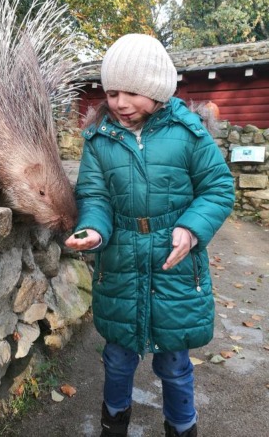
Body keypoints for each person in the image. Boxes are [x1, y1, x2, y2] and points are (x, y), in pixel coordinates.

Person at [65, 34, 235, 437]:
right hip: (121, 263)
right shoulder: (99, 141)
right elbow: (93, 195)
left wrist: (191, 229)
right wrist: (93, 229)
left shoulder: (190, 134)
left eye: (131, 92)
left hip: (175, 267)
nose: (119, 103)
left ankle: (182, 426)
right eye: (111, 92)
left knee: (174, 365)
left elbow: (217, 188)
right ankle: (113, 422)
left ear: (157, 89)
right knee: (118, 358)